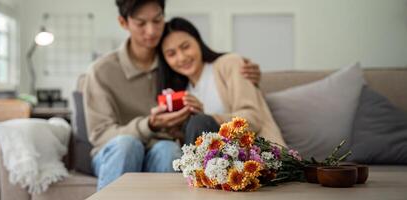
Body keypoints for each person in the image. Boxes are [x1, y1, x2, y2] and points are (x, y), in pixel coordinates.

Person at [83, 0, 262, 191]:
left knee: (168, 150)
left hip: (158, 148)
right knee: (128, 145)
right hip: (116, 152)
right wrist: (149, 125)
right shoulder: (101, 71)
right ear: (123, 22)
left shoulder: (173, 67)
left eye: (157, 20)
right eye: (141, 23)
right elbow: (100, 136)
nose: (151, 31)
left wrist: (250, 75)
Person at [157, 17, 287, 146]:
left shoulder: (230, 63)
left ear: (198, 42)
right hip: (214, 161)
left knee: (199, 121)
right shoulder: (181, 93)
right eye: (171, 54)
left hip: (256, 154)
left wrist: (208, 120)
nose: (181, 57)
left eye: (185, 47)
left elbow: (253, 118)